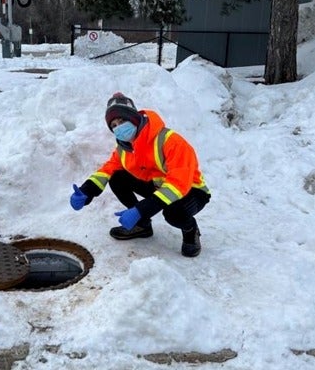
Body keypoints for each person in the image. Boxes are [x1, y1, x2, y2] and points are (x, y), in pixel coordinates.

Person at [70, 92, 211, 257]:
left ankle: (190, 230)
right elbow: (107, 170)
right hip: (160, 187)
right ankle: (142, 226)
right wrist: (86, 191)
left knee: (174, 213)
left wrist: (141, 209)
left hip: (190, 191)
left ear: (134, 118)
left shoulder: (171, 141)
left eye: (122, 121)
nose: (119, 127)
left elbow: (177, 185)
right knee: (117, 177)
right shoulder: (126, 148)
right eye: (114, 125)